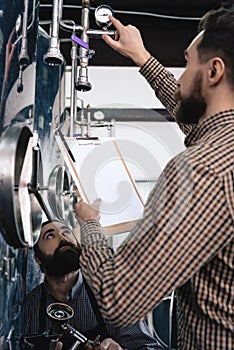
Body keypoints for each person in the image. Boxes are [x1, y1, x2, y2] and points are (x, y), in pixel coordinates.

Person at [74, 6, 234, 350]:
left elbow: (118, 299)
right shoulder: (223, 147)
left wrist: (90, 226)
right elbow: (192, 116)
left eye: (188, 63)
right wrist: (142, 57)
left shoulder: (203, 170)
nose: (182, 76)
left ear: (214, 71)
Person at [24, 220, 162, 350]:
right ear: (37, 258)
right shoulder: (30, 306)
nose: (63, 238)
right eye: (50, 236)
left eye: (66, 232)